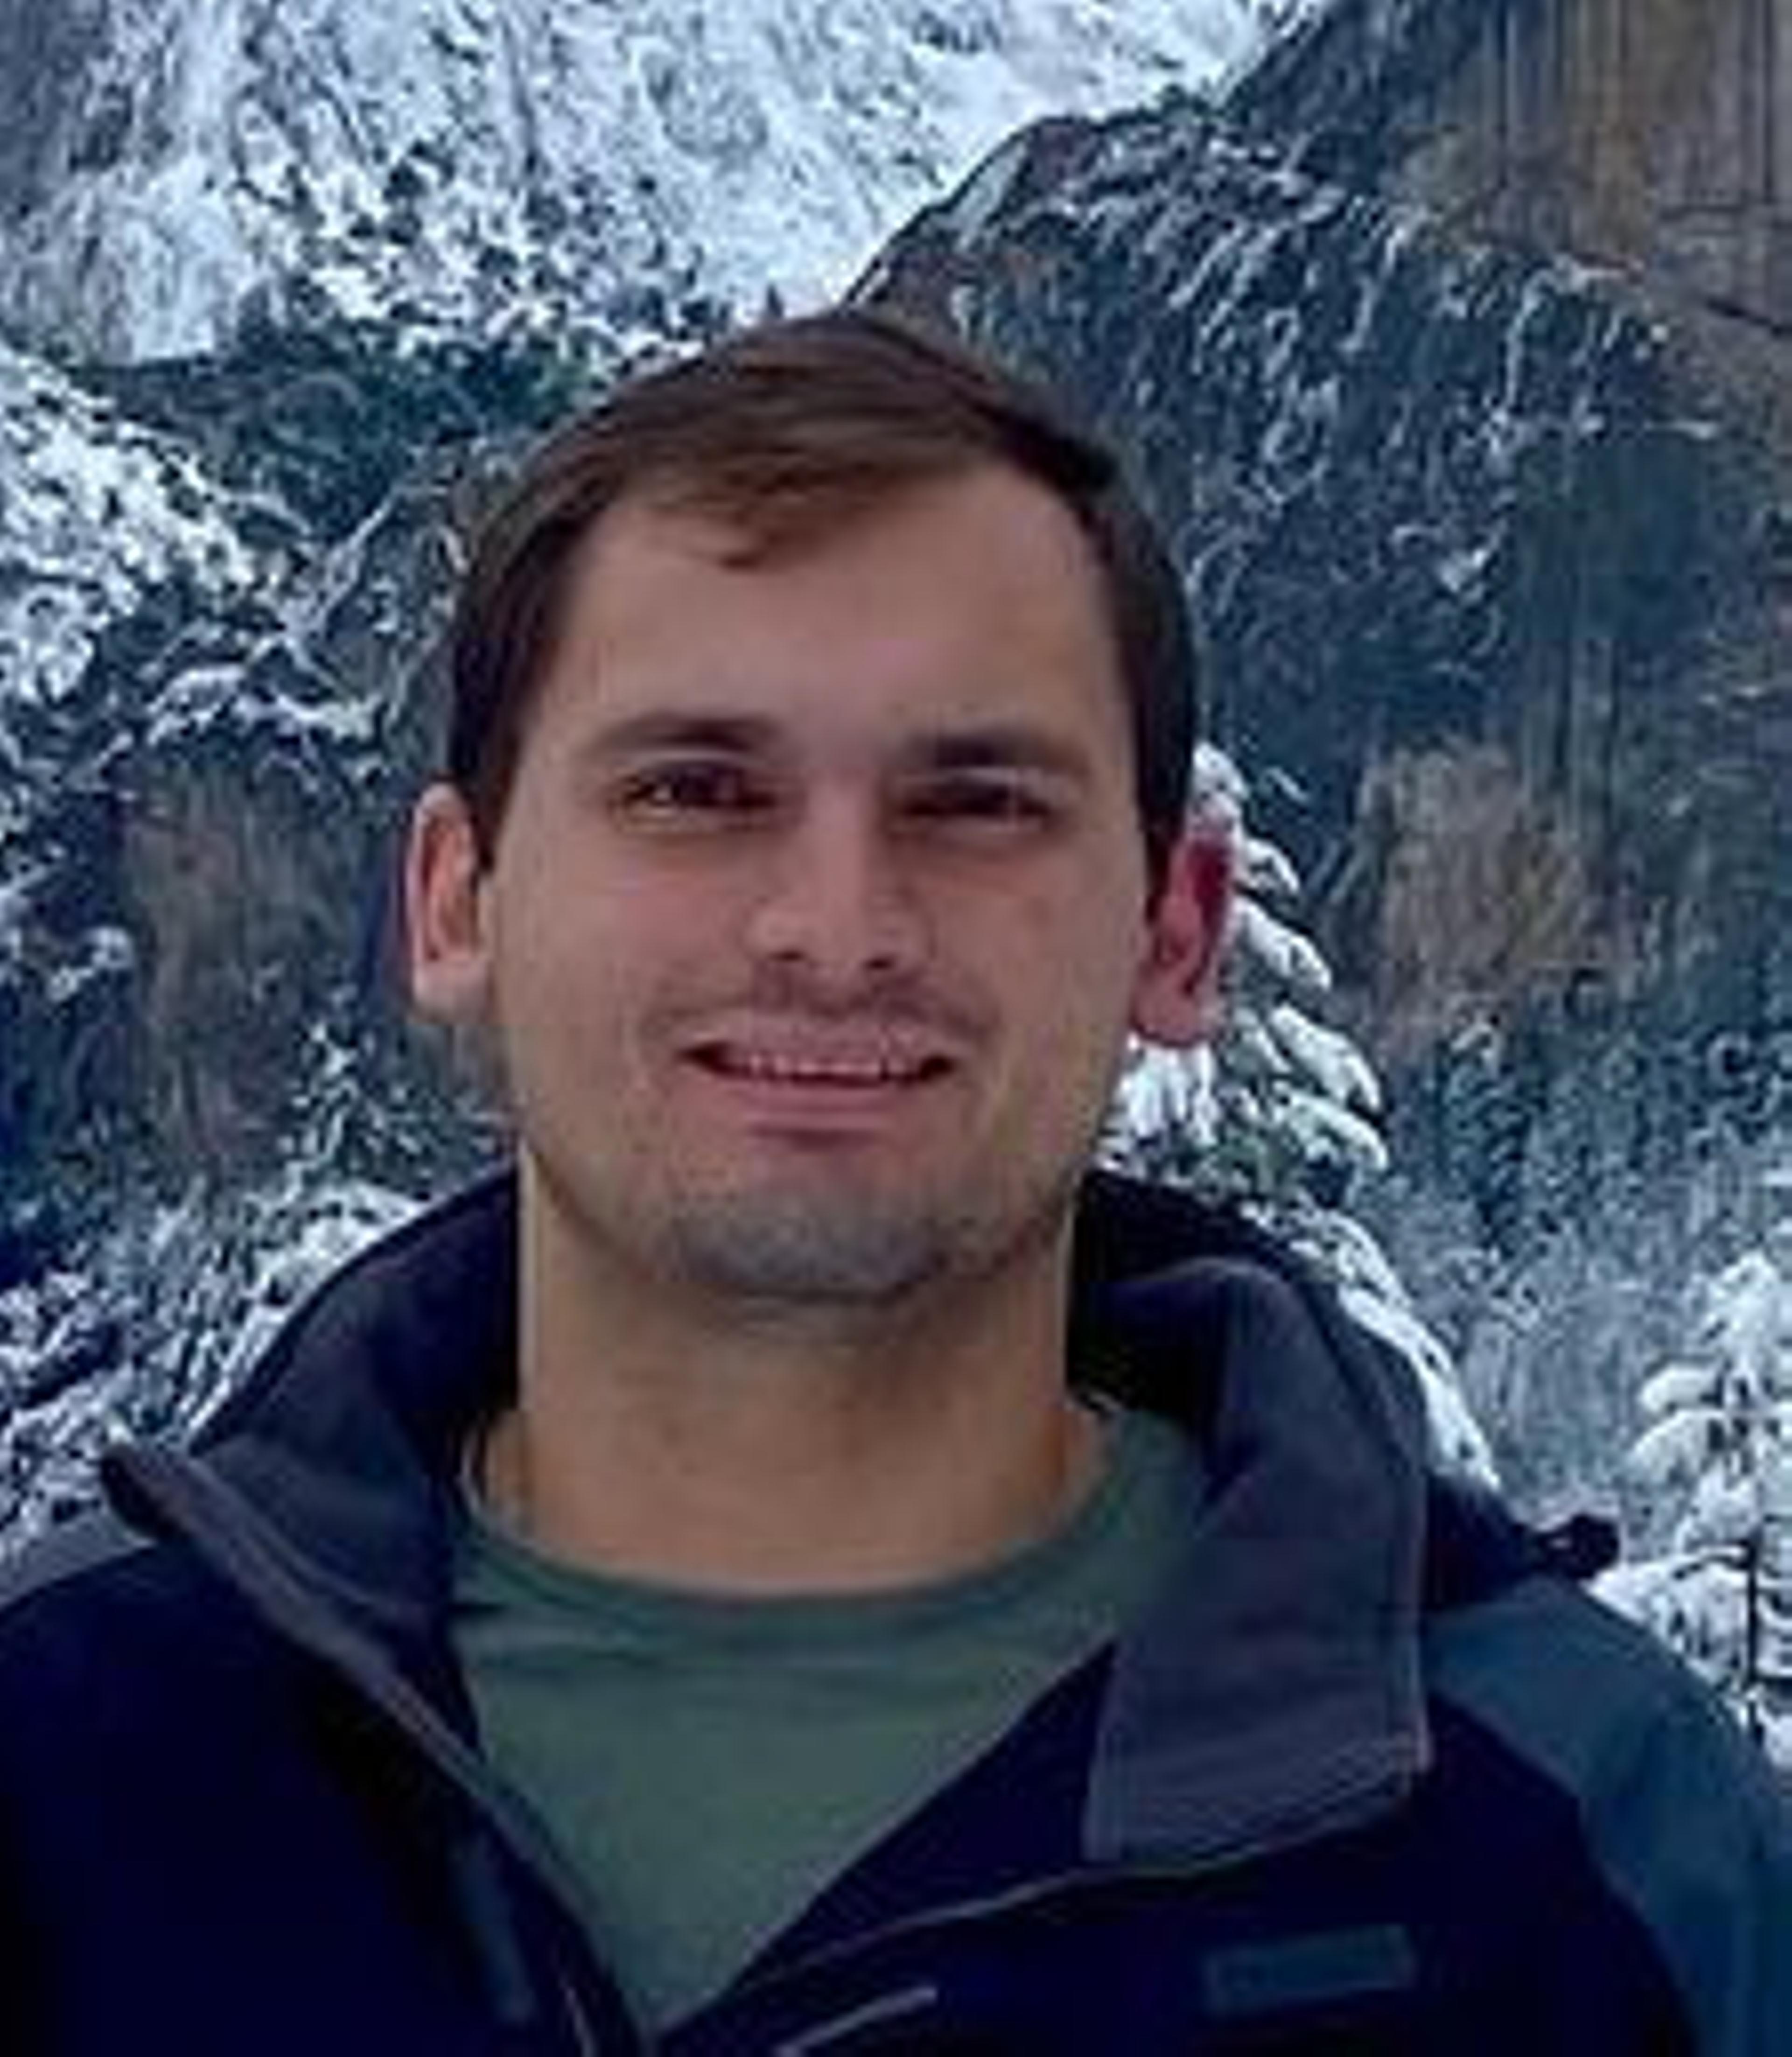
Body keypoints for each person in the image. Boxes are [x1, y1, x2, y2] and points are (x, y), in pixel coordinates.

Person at [1, 309, 1787, 2057]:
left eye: (979, 802)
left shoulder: (1599, 1856)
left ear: (1180, 932)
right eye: (697, 788)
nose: (836, 932)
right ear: (456, 901)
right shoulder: (66, 1774)